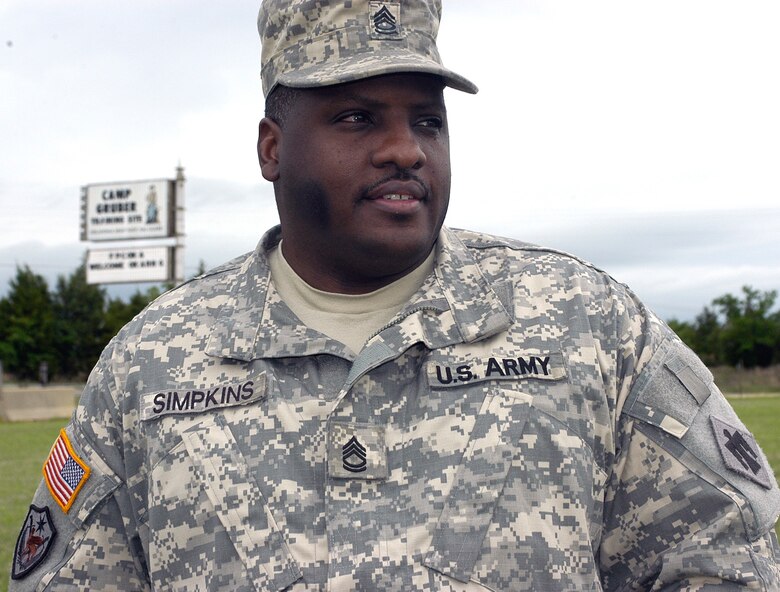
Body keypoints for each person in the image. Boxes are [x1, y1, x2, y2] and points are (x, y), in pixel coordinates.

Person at [10, 1, 780, 590]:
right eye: (357, 118)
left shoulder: (588, 324)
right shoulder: (151, 363)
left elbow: (731, 555)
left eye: (427, 121)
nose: (405, 149)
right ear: (272, 148)